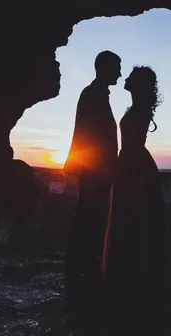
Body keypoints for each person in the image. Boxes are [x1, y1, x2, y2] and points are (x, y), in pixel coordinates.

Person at [102, 65, 171, 317]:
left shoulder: (140, 109)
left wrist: (120, 167)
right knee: (133, 221)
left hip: (135, 167)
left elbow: (133, 144)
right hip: (133, 164)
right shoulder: (136, 107)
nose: (126, 78)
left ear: (139, 84)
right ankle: (130, 280)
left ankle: (134, 284)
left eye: (131, 77)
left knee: (134, 220)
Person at [63, 50, 122, 304]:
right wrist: (100, 168)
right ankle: (80, 272)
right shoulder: (92, 95)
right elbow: (89, 136)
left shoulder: (95, 94)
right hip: (94, 173)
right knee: (88, 220)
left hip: (96, 172)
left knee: (90, 220)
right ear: (105, 69)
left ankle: (82, 270)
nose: (120, 73)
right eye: (117, 68)